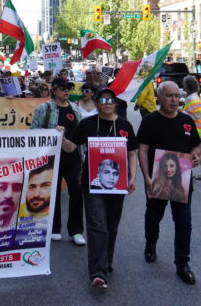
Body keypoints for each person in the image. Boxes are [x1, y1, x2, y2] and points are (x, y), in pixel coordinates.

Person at [69, 88, 138, 291]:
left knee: (111, 226)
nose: (107, 103)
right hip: (92, 185)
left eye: (110, 100)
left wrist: (133, 177)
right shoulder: (87, 124)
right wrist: (60, 135)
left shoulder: (125, 125)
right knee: (97, 226)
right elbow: (70, 147)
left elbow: (132, 153)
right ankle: (98, 273)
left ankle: (106, 262)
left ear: (115, 103)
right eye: (103, 100)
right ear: (97, 102)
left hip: (118, 186)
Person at [137, 81, 201, 285]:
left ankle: (182, 264)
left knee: (184, 222)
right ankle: (151, 243)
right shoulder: (149, 121)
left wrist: (195, 157)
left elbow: (197, 146)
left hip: (181, 180)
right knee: (153, 218)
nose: (174, 100)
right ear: (159, 98)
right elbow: (143, 150)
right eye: (169, 96)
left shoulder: (186, 121)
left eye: (176, 96)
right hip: (157, 179)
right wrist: (146, 178)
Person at [31, 78, 85, 246]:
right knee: (52, 193)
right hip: (51, 157)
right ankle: (54, 228)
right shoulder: (44, 108)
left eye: (69, 87)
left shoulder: (76, 109)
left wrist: (84, 156)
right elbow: (33, 131)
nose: (66, 90)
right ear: (53, 90)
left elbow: (80, 135)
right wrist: (51, 132)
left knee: (76, 192)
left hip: (73, 157)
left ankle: (76, 230)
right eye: (62, 88)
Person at [14, 158, 54, 248]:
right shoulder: (14, 212)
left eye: (45, 186)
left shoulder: (53, 213)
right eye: (32, 187)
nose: (36, 194)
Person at [181, 75, 201, 181]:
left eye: (184, 84)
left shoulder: (192, 99)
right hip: (200, 130)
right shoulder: (194, 96)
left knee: (188, 152)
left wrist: (180, 112)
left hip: (194, 131)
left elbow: (192, 115)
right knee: (198, 151)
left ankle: (186, 177)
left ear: (187, 86)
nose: (182, 86)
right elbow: (181, 93)